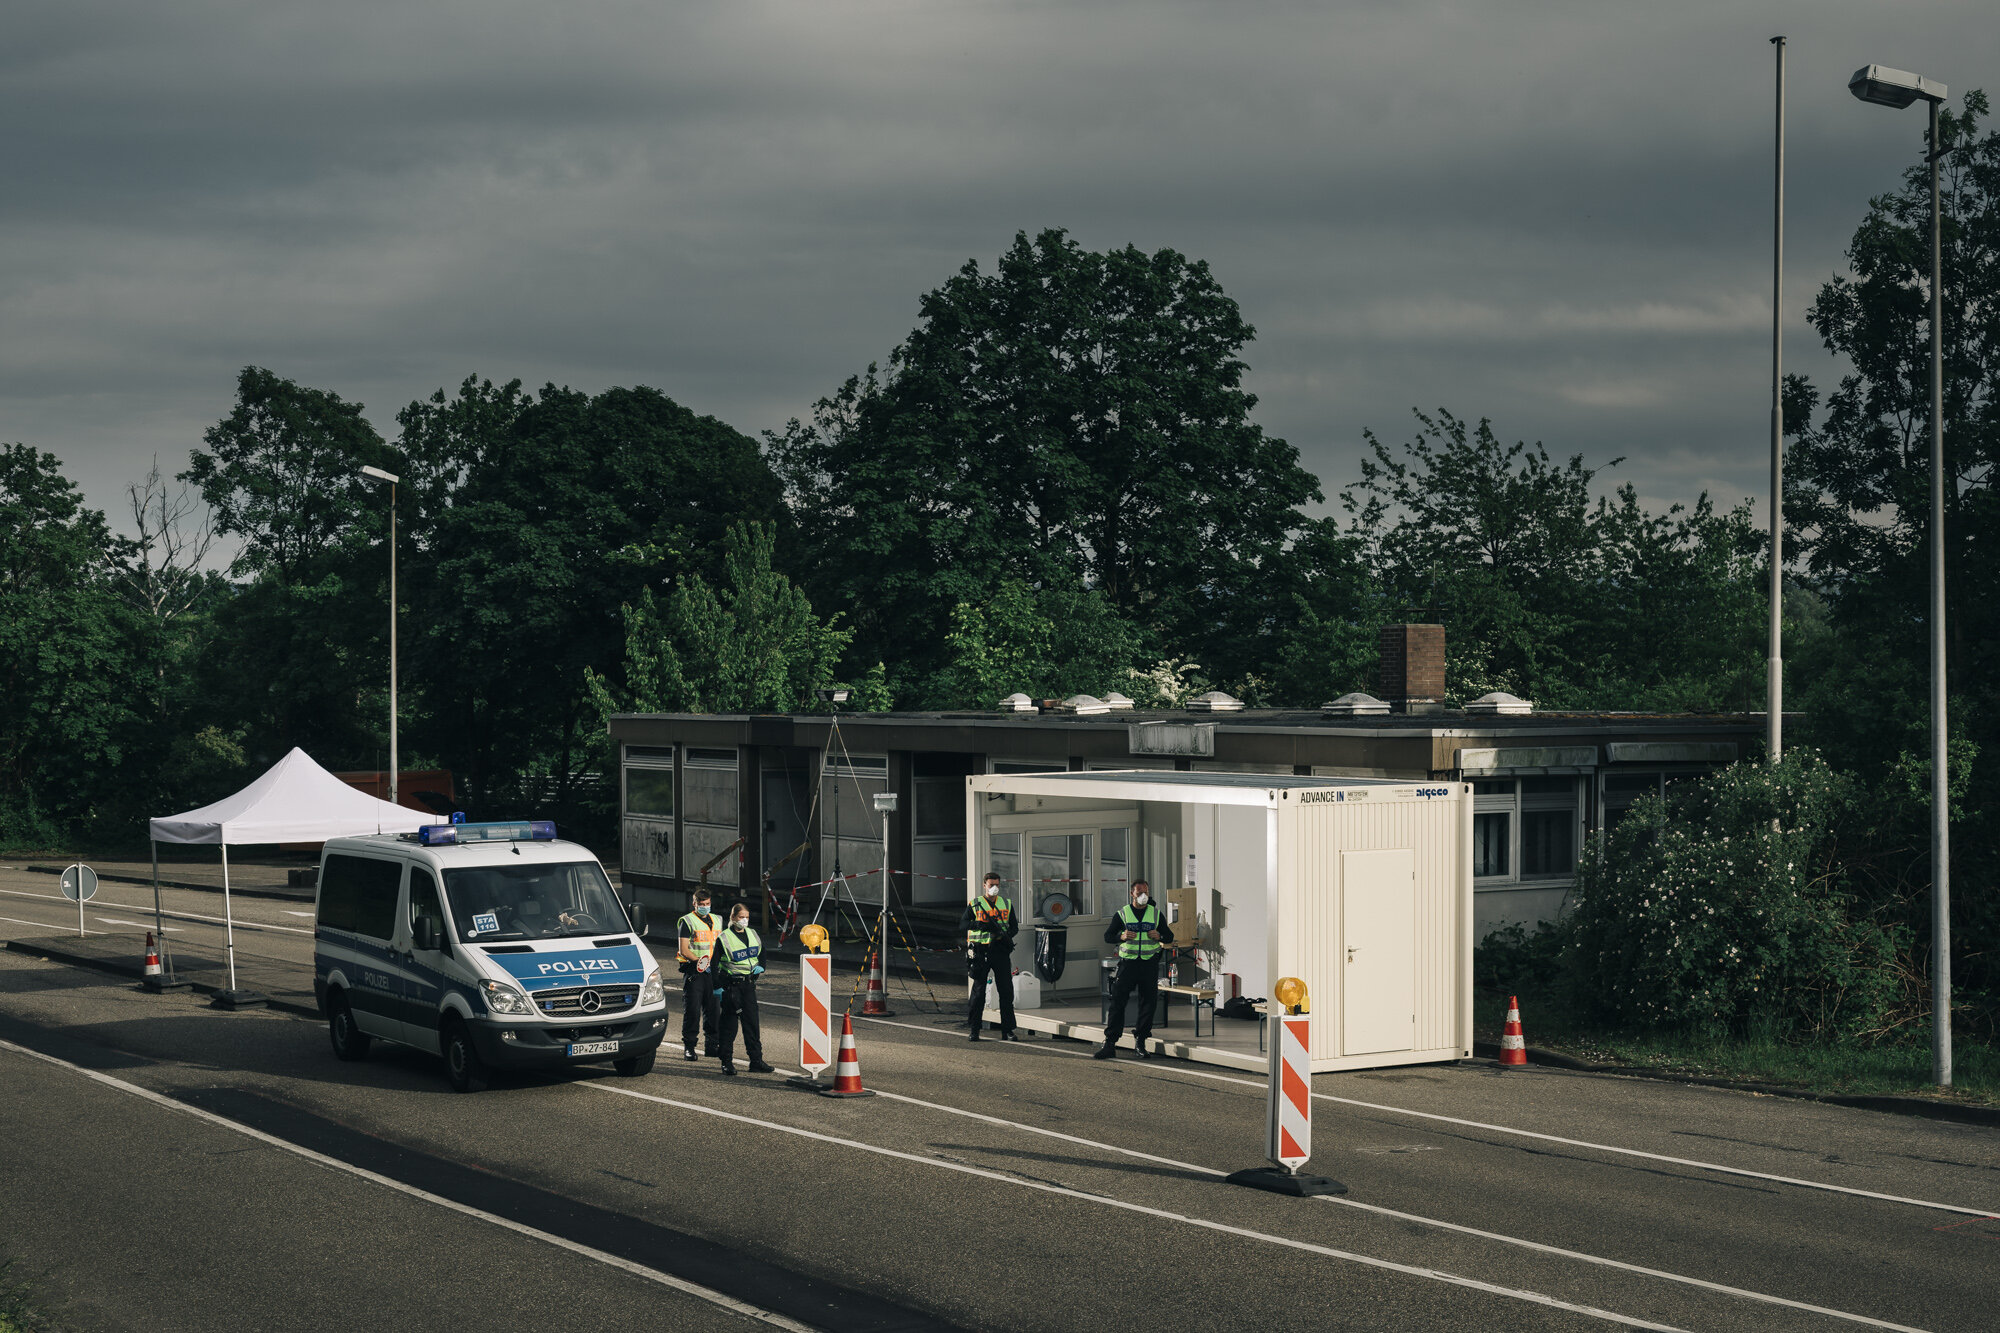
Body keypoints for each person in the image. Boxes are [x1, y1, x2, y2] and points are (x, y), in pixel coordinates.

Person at [1095, 879, 1172, 1060]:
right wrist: (1121, 936)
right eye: (1139, 892)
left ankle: (1141, 1041)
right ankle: (1110, 1043)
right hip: (1128, 964)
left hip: (1148, 964)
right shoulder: (1122, 914)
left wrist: (1159, 935)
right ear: (1132, 894)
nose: (1143, 895)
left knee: (1148, 1003)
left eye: (1146, 892)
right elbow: (1107, 936)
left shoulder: (1155, 914)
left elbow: (1169, 936)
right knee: (1117, 1002)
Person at [712, 903, 774, 1075]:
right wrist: (717, 986)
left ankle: (756, 1061)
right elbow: (713, 963)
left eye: (747, 917)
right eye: (741, 917)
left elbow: (762, 953)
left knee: (752, 1024)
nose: (744, 920)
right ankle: (726, 1062)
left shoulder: (752, 933)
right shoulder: (724, 938)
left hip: (748, 986)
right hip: (731, 986)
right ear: (733, 918)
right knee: (729, 1026)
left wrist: (762, 966)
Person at [960, 872, 1021, 1041]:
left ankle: (1007, 1030)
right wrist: (978, 924)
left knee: (1006, 991)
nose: (994, 888)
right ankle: (974, 1029)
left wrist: (1005, 935)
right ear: (984, 885)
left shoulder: (1006, 904)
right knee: (979, 993)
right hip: (981, 952)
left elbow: (1014, 927)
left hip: (1000, 951)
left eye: (997, 885)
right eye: (991, 884)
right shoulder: (976, 904)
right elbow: (962, 924)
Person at [676, 888, 723, 1060]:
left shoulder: (717, 920)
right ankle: (689, 1047)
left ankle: (712, 1046)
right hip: (695, 972)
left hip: (713, 971)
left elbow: (720, 945)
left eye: (707, 904)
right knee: (693, 1011)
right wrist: (700, 962)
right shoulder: (687, 922)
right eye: (701, 904)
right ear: (694, 904)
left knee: (713, 1011)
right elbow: (683, 949)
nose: (705, 907)